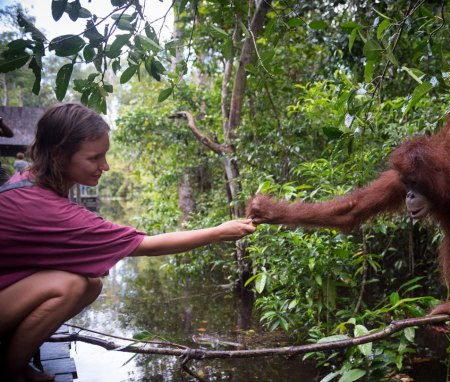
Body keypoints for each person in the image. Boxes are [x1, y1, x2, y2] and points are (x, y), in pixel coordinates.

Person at [0, 103, 257, 382]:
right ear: (60, 155)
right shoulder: (46, 208)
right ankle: (12, 370)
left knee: (90, 282)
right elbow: (147, 245)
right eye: (95, 158)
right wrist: (219, 231)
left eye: (105, 155)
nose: (105, 166)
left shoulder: (29, 177)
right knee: (72, 285)